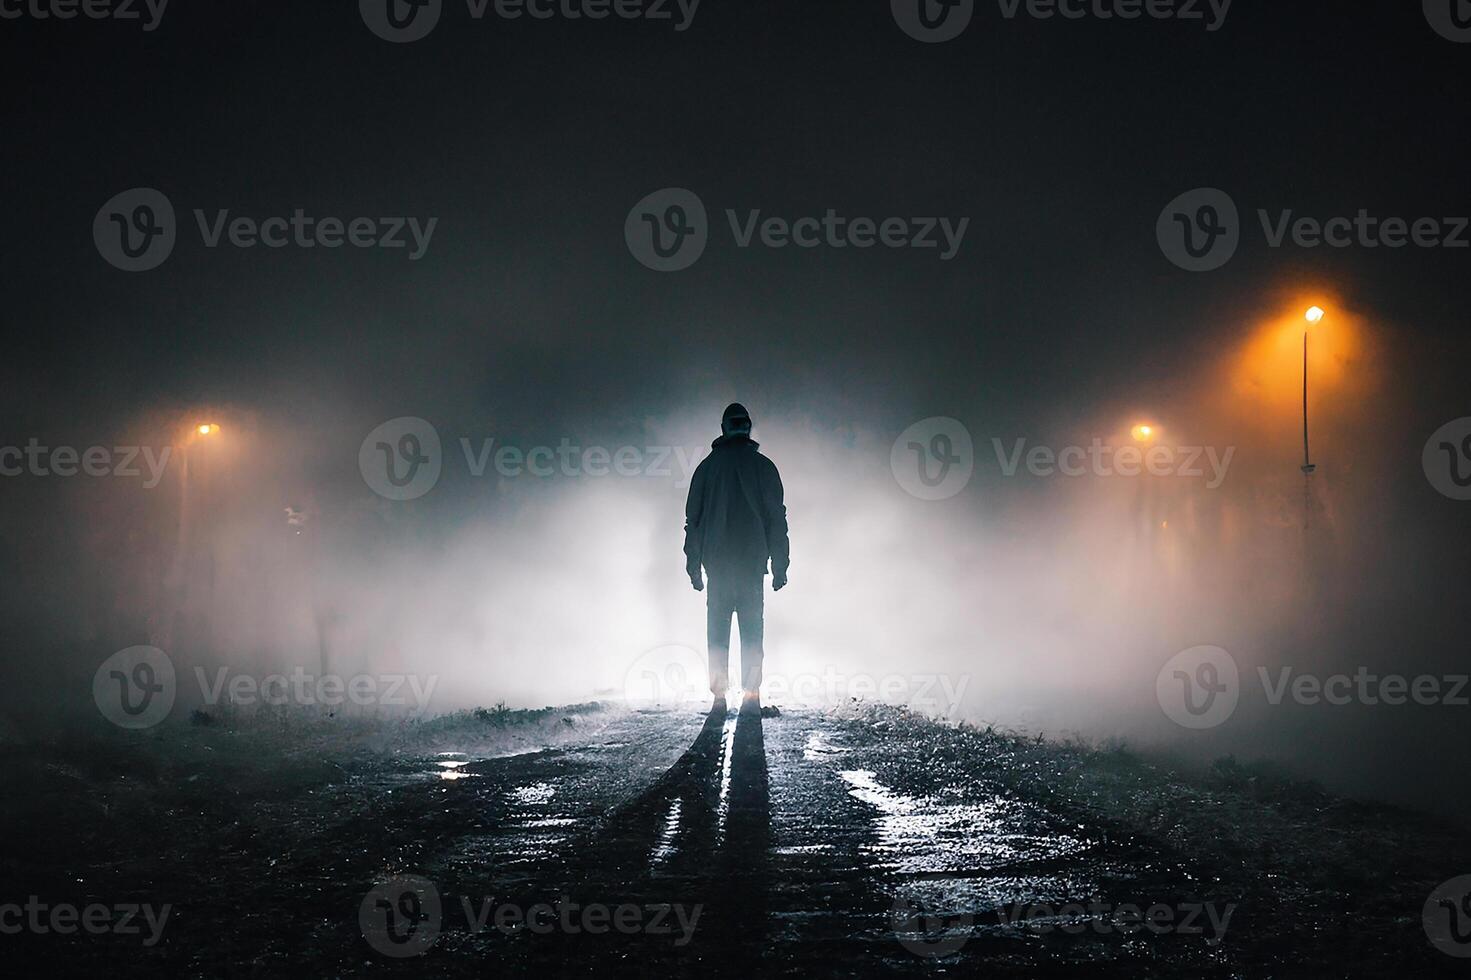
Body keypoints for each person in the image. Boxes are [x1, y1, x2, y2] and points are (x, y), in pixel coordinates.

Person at [683, 403, 789, 713]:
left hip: (717, 565)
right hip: (750, 566)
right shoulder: (764, 467)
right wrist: (780, 564)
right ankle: (752, 697)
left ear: (723, 428)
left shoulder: (706, 468)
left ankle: (719, 699)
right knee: (752, 632)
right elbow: (776, 519)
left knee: (717, 633)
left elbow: (694, 522)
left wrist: (694, 568)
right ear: (747, 426)